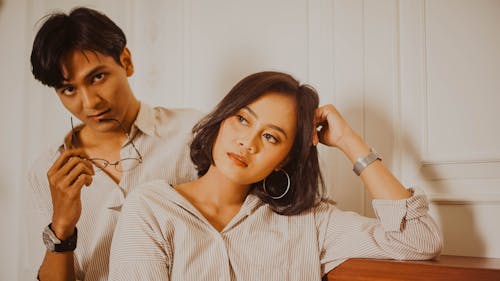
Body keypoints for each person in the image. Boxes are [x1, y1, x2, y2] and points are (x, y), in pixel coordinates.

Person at [108, 71, 443, 280]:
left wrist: (348, 141)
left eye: (271, 137)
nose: (248, 142)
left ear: (284, 160)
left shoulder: (309, 223)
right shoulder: (151, 209)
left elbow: (417, 240)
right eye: (242, 119)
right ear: (222, 119)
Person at [26, 7, 203, 281]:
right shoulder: (46, 172)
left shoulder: (194, 134)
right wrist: (62, 226)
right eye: (69, 89)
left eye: (97, 77)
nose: (89, 103)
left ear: (127, 62)